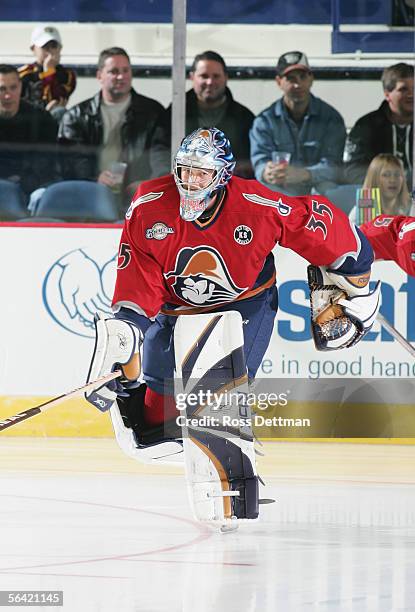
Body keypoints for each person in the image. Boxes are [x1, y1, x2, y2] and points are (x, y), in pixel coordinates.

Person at [85, 127, 380, 434]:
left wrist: (353, 259)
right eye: (186, 171)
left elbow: (309, 221)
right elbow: (139, 277)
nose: (191, 181)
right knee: (155, 418)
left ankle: (234, 475)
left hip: (244, 306)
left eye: (201, 174)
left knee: (217, 405)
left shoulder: (256, 204)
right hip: (176, 307)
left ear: (222, 175)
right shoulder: (149, 205)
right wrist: (126, 333)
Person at [58, 47, 165, 210]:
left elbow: (162, 153)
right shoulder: (76, 116)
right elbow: (71, 160)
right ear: (99, 76)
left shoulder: (153, 112)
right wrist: (95, 178)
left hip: (140, 196)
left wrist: (149, 183)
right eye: (114, 71)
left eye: (125, 70)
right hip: (91, 194)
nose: (121, 77)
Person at [250, 50, 346, 196]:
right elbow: (259, 162)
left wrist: (305, 174)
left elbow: (334, 168)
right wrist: (266, 172)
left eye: (302, 77)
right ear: (278, 82)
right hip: (281, 188)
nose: (297, 84)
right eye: (291, 78)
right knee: (262, 190)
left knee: (331, 190)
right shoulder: (264, 121)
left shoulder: (330, 118)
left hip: (317, 190)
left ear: (311, 79)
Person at [151, 50, 255, 178]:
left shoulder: (244, 117)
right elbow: (160, 151)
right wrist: (169, 179)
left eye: (216, 76)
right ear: (192, 77)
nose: (210, 82)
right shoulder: (175, 114)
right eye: (204, 76)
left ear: (226, 78)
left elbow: (252, 161)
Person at [344, 63, 414, 188]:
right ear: (387, 94)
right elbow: (352, 170)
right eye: (403, 89)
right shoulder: (367, 126)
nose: (411, 95)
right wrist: (385, 188)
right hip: (379, 195)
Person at [0, 63, 58, 202]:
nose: (8, 95)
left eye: (13, 88)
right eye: (1, 89)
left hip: (30, 186)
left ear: (20, 87)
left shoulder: (41, 119)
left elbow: (45, 163)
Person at [18, 24, 76, 122]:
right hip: (27, 120)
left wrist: (49, 71)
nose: (49, 51)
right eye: (44, 47)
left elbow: (58, 100)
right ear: (33, 49)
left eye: (53, 46)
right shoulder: (22, 74)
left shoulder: (68, 75)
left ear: (60, 48)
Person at [349, 153, 411, 224]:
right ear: (374, 179)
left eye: (397, 174)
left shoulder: (411, 208)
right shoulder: (357, 214)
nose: (393, 180)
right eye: (386, 175)